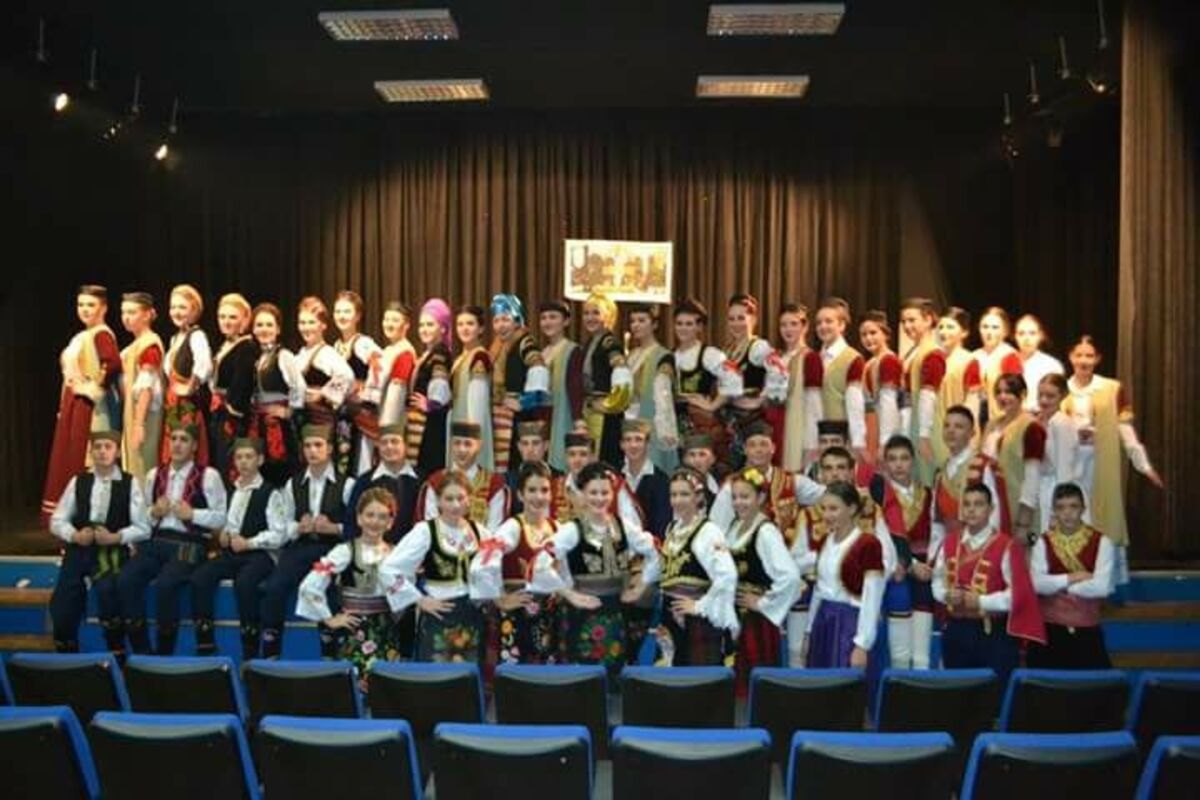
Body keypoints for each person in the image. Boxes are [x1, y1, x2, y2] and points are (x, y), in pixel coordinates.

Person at [118, 421, 227, 655]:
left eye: (183, 440)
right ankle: (141, 649)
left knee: (167, 584)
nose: (177, 444)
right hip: (157, 541)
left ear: (194, 446)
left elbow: (221, 518)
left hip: (190, 542)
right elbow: (142, 518)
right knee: (127, 578)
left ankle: (164, 651)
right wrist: (154, 512)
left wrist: (193, 514)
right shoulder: (154, 475)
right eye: (173, 438)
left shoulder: (209, 476)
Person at [1063, 335, 1164, 581]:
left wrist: (1143, 464)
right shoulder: (1063, 390)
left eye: (1089, 356)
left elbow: (1125, 430)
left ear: (1097, 359)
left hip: (1100, 462)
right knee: (1073, 512)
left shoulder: (1111, 389)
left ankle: (1105, 577)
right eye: (1079, 355)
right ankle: (1075, 572)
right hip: (1071, 463)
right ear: (1071, 357)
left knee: (1104, 514)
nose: (1084, 360)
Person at [547, 462, 660, 677]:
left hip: (618, 610)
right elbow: (541, 564)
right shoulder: (572, 530)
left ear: (613, 493)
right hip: (582, 613)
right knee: (584, 676)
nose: (599, 498)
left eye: (605, 492)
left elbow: (655, 551)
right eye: (593, 493)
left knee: (616, 673)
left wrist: (641, 587)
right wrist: (569, 594)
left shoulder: (624, 526)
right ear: (582, 494)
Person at [258, 424, 356, 659]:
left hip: (332, 549)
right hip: (301, 546)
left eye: (318, 445)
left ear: (329, 448)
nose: (313, 451)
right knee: (274, 587)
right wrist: (298, 527)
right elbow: (285, 526)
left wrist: (334, 528)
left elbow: (356, 527)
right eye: (308, 446)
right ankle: (271, 652)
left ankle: (330, 653)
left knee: (328, 588)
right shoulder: (293, 483)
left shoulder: (347, 484)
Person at [48, 430, 149, 656]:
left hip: (112, 552)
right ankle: (67, 654)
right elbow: (57, 520)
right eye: (98, 447)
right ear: (91, 451)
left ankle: (117, 651)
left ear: (117, 452)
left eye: (108, 447)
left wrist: (116, 537)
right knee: (64, 599)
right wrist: (74, 535)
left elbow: (144, 528)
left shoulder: (129, 483)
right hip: (80, 549)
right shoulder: (79, 481)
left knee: (108, 591)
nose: (102, 451)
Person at [932, 482, 1045, 682]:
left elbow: (1017, 595)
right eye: (967, 504)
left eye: (978, 504)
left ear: (990, 509)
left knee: (994, 692)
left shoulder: (1006, 545)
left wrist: (981, 601)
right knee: (957, 691)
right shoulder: (949, 542)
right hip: (956, 630)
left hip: (991, 632)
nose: (971, 510)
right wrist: (945, 595)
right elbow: (937, 580)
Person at [189, 438, 287, 660]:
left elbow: (279, 534)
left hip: (259, 555)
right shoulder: (231, 490)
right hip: (232, 553)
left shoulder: (270, 492)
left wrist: (249, 542)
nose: (243, 462)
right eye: (239, 457)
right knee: (200, 578)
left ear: (260, 460)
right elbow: (227, 522)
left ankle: (250, 650)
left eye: (248, 457)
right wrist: (223, 535)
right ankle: (205, 643)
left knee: (245, 584)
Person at [379, 470, 490, 663]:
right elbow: (388, 569)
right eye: (449, 499)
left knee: (468, 677)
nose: (455, 505)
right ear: (438, 501)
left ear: (469, 500)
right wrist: (418, 599)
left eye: (460, 498)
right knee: (436, 677)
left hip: (472, 618)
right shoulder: (425, 531)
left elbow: (491, 572)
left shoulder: (480, 532)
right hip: (438, 616)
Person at [297, 487, 403, 682]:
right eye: (370, 515)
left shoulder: (396, 554)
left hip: (386, 632)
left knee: (385, 686)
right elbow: (310, 584)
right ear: (359, 518)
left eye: (382, 517)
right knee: (355, 686)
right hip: (354, 632)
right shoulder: (345, 551)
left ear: (390, 522)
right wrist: (329, 619)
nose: (375, 521)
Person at [42, 285, 122, 525]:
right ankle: (73, 520)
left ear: (104, 308)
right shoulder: (82, 336)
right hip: (74, 404)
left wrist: (92, 389)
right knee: (71, 459)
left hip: (89, 408)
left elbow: (112, 364)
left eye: (91, 305)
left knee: (85, 459)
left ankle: (89, 520)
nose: (85, 309)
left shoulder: (101, 334)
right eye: (81, 304)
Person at [476, 461, 564, 665]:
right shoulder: (512, 528)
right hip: (514, 620)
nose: (539, 497)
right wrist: (500, 598)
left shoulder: (557, 528)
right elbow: (483, 560)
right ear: (520, 495)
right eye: (532, 490)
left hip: (549, 620)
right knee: (514, 678)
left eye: (544, 490)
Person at [726, 467, 802, 693]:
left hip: (756, 622)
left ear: (760, 498)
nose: (738, 502)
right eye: (735, 497)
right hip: (735, 616)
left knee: (754, 684)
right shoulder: (735, 526)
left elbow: (790, 577)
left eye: (745, 496)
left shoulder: (766, 532)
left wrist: (763, 603)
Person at [657, 467, 739, 666]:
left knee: (697, 675)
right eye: (674, 494)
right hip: (670, 618)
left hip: (697, 622)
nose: (678, 500)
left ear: (698, 496)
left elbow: (727, 575)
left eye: (684, 494)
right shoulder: (673, 528)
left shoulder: (708, 532)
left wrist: (701, 606)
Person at [802, 481, 887, 671]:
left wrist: (862, 644)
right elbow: (819, 591)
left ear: (852, 509)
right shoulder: (825, 541)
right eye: (824, 509)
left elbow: (872, 598)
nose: (826, 515)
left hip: (850, 625)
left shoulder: (868, 544)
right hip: (823, 622)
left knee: (846, 682)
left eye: (834, 509)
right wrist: (808, 633)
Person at [1028, 483, 1114, 669]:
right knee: (1044, 684)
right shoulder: (1043, 542)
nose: (1067, 513)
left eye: (1073, 506)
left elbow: (1102, 588)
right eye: (1061, 507)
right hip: (1049, 631)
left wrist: (1056, 587)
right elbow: (1035, 584)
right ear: (1054, 511)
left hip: (1087, 632)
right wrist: (1073, 578)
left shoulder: (1102, 542)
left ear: (1083, 509)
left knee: (1090, 685)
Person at [873, 435, 935, 670]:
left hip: (925, 573)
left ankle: (922, 688)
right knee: (899, 653)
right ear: (885, 464)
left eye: (904, 458)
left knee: (921, 655)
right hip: (895, 570)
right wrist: (909, 564)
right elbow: (879, 537)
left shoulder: (928, 494)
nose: (898, 465)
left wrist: (929, 566)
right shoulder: (878, 496)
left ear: (913, 461)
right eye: (892, 459)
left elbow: (937, 534)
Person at [709, 422, 825, 533]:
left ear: (773, 448)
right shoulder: (732, 486)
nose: (758, 450)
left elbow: (827, 496)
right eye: (752, 445)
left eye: (764, 444)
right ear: (745, 450)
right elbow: (716, 528)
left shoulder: (792, 482)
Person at [672, 298, 742, 472]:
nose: (683, 328)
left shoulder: (710, 354)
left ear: (699, 327)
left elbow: (735, 379)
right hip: (674, 423)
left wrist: (713, 405)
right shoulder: (670, 355)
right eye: (679, 323)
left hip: (699, 424)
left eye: (689, 324)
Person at [724, 294, 788, 470]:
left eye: (741, 318)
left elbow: (780, 372)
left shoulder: (758, 347)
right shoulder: (728, 349)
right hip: (731, 420)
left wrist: (761, 400)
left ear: (753, 319)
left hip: (751, 422)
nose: (736, 323)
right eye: (731, 319)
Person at [981, 373, 1047, 545]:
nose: (1002, 397)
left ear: (1023, 394)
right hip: (988, 503)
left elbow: (1032, 478)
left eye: (1009, 392)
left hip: (1015, 505)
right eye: (999, 392)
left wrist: (1023, 522)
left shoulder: (1031, 427)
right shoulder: (992, 424)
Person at [489, 293, 549, 476]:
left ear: (516, 321)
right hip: (501, 415)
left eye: (505, 320)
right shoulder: (497, 347)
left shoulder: (524, 341)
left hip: (520, 417)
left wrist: (525, 401)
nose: (500, 325)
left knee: (517, 464)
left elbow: (538, 367)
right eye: (497, 320)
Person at [247, 303, 306, 487]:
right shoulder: (254, 356)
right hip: (258, 421)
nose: (264, 329)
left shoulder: (283, 355)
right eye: (259, 325)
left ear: (278, 329)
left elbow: (299, 386)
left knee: (279, 469)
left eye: (269, 325)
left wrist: (288, 411)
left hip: (278, 425)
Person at [295, 296, 355, 473]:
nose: (306, 327)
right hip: (303, 420)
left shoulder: (327, 353)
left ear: (323, 325)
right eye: (302, 322)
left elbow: (347, 376)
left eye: (311, 322)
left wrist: (323, 393)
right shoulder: (301, 353)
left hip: (321, 421)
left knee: (322, 465)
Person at [418, 421, 510, 531]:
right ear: (450, 445)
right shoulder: (436, 481)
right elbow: (431, 526)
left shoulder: (494, 484)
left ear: (479, 446)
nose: (462, 449)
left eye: (468, 444)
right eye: (457, 443)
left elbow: (494, 529)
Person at [332, 290, 386, 477]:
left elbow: (380, 367)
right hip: (342, 416)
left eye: (347, 311)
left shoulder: (363, 343)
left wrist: (366, 392)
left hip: (359, 417)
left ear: (357, 316)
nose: (342, 316)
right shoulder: (336, 346)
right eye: (338, 311)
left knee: (359, 464)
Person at [932, 405, 1002, 542]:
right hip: (949, 546)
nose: (951, 431)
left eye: (958, 426)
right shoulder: (940, 474)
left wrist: (986, 547)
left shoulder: (982, 466)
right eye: (946, 426)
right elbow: (937, 520)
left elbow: (994, 512)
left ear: (972, 433)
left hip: (978, 544)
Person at [161, 284, 213, 467]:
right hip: (172, 403)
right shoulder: (175, 338)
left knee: (186, 449)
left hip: (186, 406)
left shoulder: (196, 336)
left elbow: (204, 364)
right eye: (173, 307)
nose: (177, 311)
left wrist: (190, 387)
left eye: (182, 307)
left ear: (194, 310)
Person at [768, 303, 824, 473]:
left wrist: (812, 444)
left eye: (794, 324)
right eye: (783, 325)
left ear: (805, 327)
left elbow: (814, 405)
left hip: (797, 432)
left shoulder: (811, 358)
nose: (788, 329)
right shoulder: (776, 358)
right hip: (774, 429)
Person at [209, 293, 258, 483]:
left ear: (244, 319)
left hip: (232, 418)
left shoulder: (246, 347)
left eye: (232, 317)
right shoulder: (227, 344)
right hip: (219, 414)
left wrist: (230, 408)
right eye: (222, 317)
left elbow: (242, 384)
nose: (226, 321)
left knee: (229, 465)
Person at [898, 298, 947, 487]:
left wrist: (924, 435)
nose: (907, 326)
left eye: (912, 320)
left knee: (930, 481)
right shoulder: (914, 352)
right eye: (904, 321)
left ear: (928, 320)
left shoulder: (932, 354)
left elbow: (928, 396)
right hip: (914, 425)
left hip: (928, 428)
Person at [580, 291, 632, 467]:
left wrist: (612, 403)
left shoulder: (609, 342)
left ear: (608, 315)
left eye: (596, 313)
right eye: (586, 313)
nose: (590, 318)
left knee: (605, 461)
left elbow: (621, 371)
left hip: (606, 415)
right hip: (591, 410)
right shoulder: (589, 343)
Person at [625, 303, 679, 473]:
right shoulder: (631, 355)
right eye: (633, 321)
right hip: (630, 420)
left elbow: (664, 396)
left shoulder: (663, 356)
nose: (636, 325)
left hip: (653, 423)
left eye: (642, 320)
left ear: (654, 324)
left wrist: (666, 431)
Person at [814, 297, 867, 465]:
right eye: (819, 323)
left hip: (840, 437)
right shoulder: (815, 358)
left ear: (842, 325)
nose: (823, 326)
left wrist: (857, 442)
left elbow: (855, 404)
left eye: (828, 321)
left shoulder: (853, 358)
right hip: (816, 436)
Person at [118, 291, 164, 482]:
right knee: (133, 467)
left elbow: (147, 387)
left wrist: (139, 423)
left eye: (132, 312)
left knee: (143, 467)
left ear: (146, 315)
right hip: (132, 414)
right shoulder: (134, 346)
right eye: (124, 312)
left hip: (145, 416)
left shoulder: (149, 345)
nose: (126, 318)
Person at [407, 298, 454, 477]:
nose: (424, 329)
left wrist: (431, 404)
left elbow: (440, 388)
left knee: (428, 474)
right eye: (421, 325)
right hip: (423, 424)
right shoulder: (430, 353)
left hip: (430, 426)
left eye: (430, 324)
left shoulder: (439, 353)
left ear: (442, 328)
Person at [538, 299, 585, 473]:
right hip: (544, 417)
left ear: (566, 321)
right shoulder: (542, 353)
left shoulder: (573, 350)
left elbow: (575, 387)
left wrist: (578, 420)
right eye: (544, 318)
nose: (547, 322)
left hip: (563, 415)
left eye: (553, 317)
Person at [1033, 374, 1081, 534]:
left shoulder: (1061, 423)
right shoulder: (1038, 421)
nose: (1044, 400)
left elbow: (1065, 468)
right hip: (1039, 487)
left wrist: (1060, 506)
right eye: (1041, 395)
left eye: (1050, 396)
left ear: (1062, 396)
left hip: (1053, 488)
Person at [449, 304, 496, 471]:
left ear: (481, 328)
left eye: (470, 323)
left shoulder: (480, 357)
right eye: (460, 324)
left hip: (471, 429)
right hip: (457, 423)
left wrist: (472, 438)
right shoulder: (459, 359)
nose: (464, 328)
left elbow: (478, 404)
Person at [859, 310, 901, 469]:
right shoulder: (871, 363)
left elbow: (888, 404)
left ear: (886, 334)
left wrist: (885, 442)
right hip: (871, 425)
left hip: (883, 426)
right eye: (864, 334)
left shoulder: (888, 361)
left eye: (873, 333)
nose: (868, 338)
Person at [620, 419, 672, 539]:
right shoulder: (616, 476)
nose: (633, 445)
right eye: (628, 440)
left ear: (648, 444)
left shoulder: (661, 481)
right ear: (621, 445)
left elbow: (662, 525)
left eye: (638, 439)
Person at [973, 306, 1023, 427]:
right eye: (985, 327)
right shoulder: (973, 356)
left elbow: (1014, 394)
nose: (989, 332)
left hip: (1001, 419)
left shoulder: (1009, 356)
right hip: (975, 418)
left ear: (1005, 331)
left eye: (995, 327)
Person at [936, 307, 984, 428]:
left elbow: (972, 403)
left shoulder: (969, 361)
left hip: (958, 429)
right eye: (941, 327)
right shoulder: (935, 358)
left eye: (950, 327)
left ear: (964, 332)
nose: (943, 332)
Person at [378, 301, 417, 429]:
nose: (389, 324)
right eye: (386, 319)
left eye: (395, 320)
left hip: (391, 422)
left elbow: (395, 399)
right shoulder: (387, 350)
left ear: (406, 325)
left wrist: (387, 428)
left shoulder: (404, 353)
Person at [1015, 314, 1065, 413]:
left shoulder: (1052, 365)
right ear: (1015, 336)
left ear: (1041, 335)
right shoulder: (1007, 360)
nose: (1026, 338)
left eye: (1032, 333)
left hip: (1041, 415)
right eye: (1021, 333)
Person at [681, 433, 724, 507]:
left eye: (702, 454)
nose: (697, 460)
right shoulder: (678, 485)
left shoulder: (721, 481)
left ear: (713, 459)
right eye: (692, 455)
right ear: (685, 459)